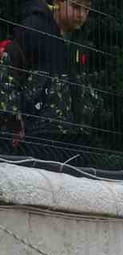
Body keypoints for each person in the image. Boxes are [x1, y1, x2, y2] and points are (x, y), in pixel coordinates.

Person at [0, 0, 92, 163]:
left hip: (74, 135)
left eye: (87, 9)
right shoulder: (34, 28)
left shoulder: (79, 40)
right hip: (38, 132)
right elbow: (8, 73)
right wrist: (14, 119)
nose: (81, 15)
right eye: (76, 7)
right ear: (58, 2)